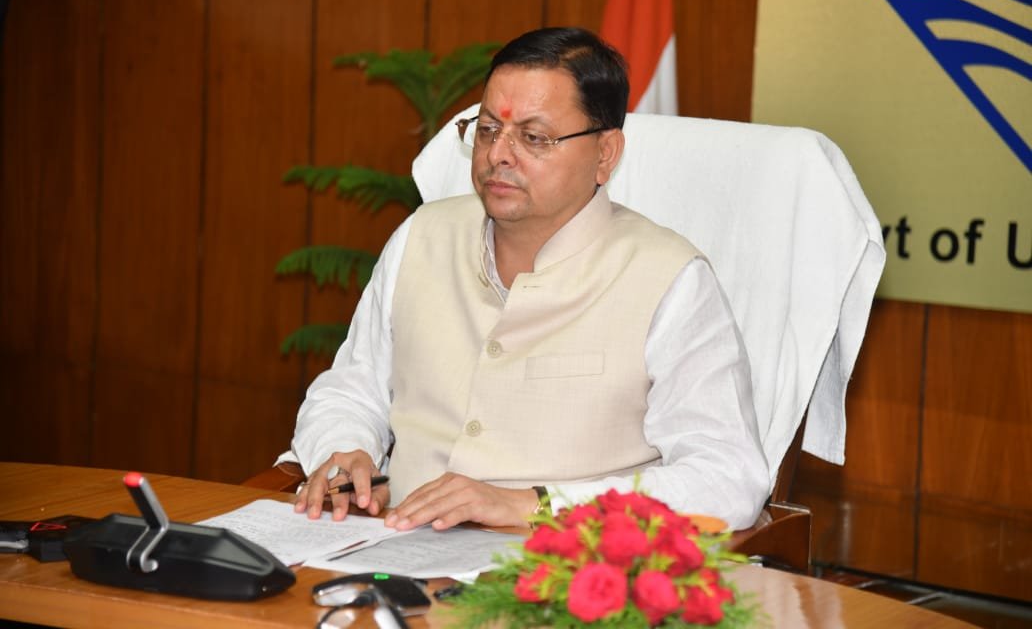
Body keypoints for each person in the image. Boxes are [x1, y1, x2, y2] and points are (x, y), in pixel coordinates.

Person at [282, 27, 769, 531]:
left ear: (605, 154)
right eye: (488, 129)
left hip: (564, 567)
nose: (499, 154)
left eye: (533, 138)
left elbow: (727, 477)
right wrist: (349, 454)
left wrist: (535, 505)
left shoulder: (669, 279)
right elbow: (352, 389)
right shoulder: (421, 237)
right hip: (391, 547)